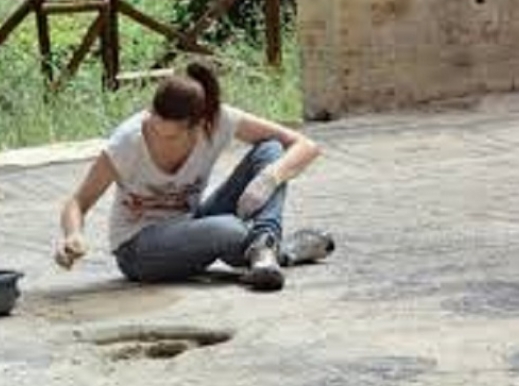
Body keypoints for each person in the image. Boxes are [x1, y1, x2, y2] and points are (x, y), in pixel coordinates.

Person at [55, 61, 334, 291]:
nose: (159, 137)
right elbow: (77, 202)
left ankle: (264, 248)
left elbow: (305, 145)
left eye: (171, 135)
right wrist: (73, 236)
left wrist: (270, 178)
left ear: (199, 125)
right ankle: (283, 251)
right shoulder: (128, 141)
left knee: (271, 150)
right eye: (154, 126)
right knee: (229, 229)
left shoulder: (219, 120)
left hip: (192, 222)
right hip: (139, 250)